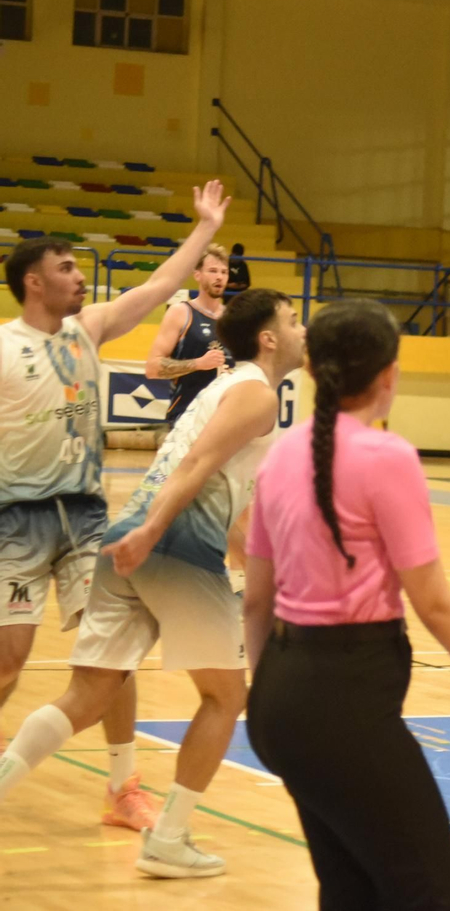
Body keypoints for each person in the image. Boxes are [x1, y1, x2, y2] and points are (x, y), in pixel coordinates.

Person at [246, 300, 450, 909]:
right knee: (428, 893)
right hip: (347, 697)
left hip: (278, 698)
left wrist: (269, 694)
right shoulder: (387, 457)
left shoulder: (279, 454)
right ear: (389, 375)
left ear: (312, 372)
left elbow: (255, 601)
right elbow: (434, 604)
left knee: (351, 890)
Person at [0, 288, 303, 878]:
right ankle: (169, 839)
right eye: (293, 321)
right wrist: (157, 533)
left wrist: (241, 557)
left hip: (132, 535)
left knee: (88, 695)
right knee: (226, 697)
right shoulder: (258, 396)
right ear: (267, 338)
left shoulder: (223, 388)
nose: (302, 330)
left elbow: (218, 488)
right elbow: (192, 470)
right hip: (173, 545)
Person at [0, 179, 230, 835]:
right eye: (66, 267)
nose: (79, 276)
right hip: (16, 520)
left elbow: (158, 288)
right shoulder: (4, 349)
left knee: (113, 654)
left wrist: (205, 230)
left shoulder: (89, 328)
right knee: (9, 661)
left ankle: (123, 786)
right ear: (33, 283)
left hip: (86, 519)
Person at [146, 243, 232, 426]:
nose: (219, 277)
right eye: (213, 271)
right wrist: (198, 363)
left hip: (224, 421)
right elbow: (152, 367)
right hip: (187, 419)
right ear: (197, 275)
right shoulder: (181, 312)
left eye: (224, 272)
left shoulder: (234, 318)